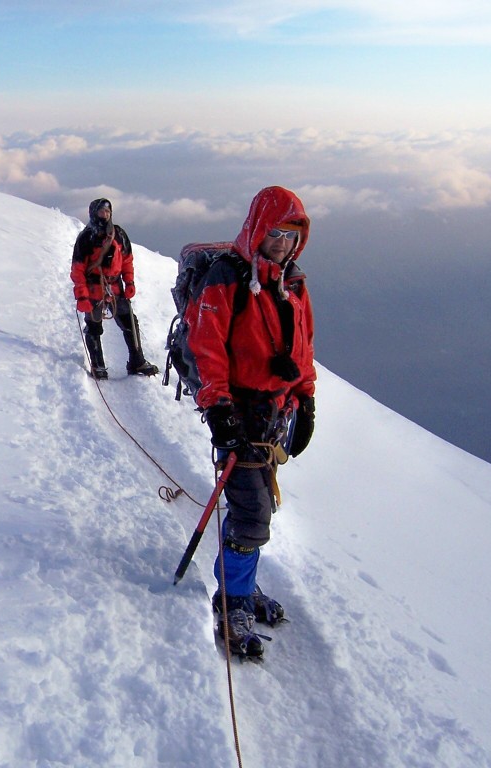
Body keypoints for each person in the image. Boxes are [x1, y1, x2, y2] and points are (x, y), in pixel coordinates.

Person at [187, 185, 317, 658]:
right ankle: (232, 601)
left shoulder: (294, 283)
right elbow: (207, 346)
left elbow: (303, 348)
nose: (282, 242)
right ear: (257, 229)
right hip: (238, 414)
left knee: (258, 505)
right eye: (275, 232)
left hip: (273, 419)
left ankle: (242, 585)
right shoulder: (228, 276)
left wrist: (306, 399)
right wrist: (219, 409)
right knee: (251, 512)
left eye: (291, 234)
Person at [71, 198, 158, 379]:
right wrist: (82, 296)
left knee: (130, 323)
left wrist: (130, 282)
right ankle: (98, 366)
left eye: (107, 212)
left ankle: (137, 361)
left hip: (115, 287)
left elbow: (127, 260)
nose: (105, 215)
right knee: (94, 327)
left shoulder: (118, 234)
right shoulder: (86, 237)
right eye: (101, 212)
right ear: (94, 213)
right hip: (94, 287)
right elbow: (78, 269)